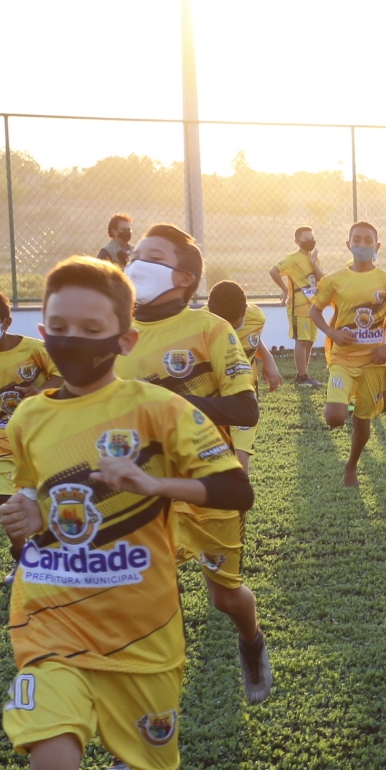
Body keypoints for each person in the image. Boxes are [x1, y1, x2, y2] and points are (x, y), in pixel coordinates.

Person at [0, 254, 256, 770]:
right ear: (44, 330)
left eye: (91, 329)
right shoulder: (29, 418)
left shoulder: (158, 410)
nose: (73, 341)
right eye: (60, 328)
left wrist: (155, 485)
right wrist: (21, 524)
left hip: (142, 633)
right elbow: (41, 518)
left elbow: (235, 487)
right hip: (49, 623)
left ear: (123, 333)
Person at [116, 224, 273, 710]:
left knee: (225, 599)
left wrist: (171, 404)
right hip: (145, 492)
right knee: (150, 604)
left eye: (152, 256)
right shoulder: (117, 338)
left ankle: (251, 641)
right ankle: (148, 738)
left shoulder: (210, 329)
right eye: (136, 254)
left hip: (210, 485)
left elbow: (246, 411)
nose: (135, 262)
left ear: (183, 277)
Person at [310, 221, 386, 487]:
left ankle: (351, 466)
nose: (362, 245)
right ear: (348, 245)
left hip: (373, 364)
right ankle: (344, 396)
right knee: (335, 418)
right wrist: (332, 333)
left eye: (368, 241)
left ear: (377, 246)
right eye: (356, 240)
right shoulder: (334, 280)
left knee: (363, 421)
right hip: (342, 360)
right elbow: (315, 311)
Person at [0, 287, 57, 580]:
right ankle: (22, 557)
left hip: (41, 437)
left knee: (47, 501)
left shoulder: (36, 349)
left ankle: (51, 554)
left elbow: (62, 376)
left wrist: (40, 391)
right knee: (6, 505)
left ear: (6, 322)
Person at [205, 280, 280, 472]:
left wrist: (268, 359)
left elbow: (253, 337)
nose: (229, 329)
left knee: (239, 468)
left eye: (235, 325)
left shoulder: (256, 318)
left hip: (243, 397)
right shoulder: (198, 325)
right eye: (223, 326)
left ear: (245, 311)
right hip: (212, 400)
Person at [270, 227, 325, 388]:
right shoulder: (293, 259)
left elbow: (323, 280)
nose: (311, 241)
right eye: (306, 238)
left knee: (309, 341)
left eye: (312, 237)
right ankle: (301, 377)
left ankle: (305, 376)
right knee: (301, 340)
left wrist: (314, 263)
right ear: (298, 242)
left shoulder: (314, 258)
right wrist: (285, 290)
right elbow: (273, 271)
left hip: (313, 306)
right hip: (298, 307)